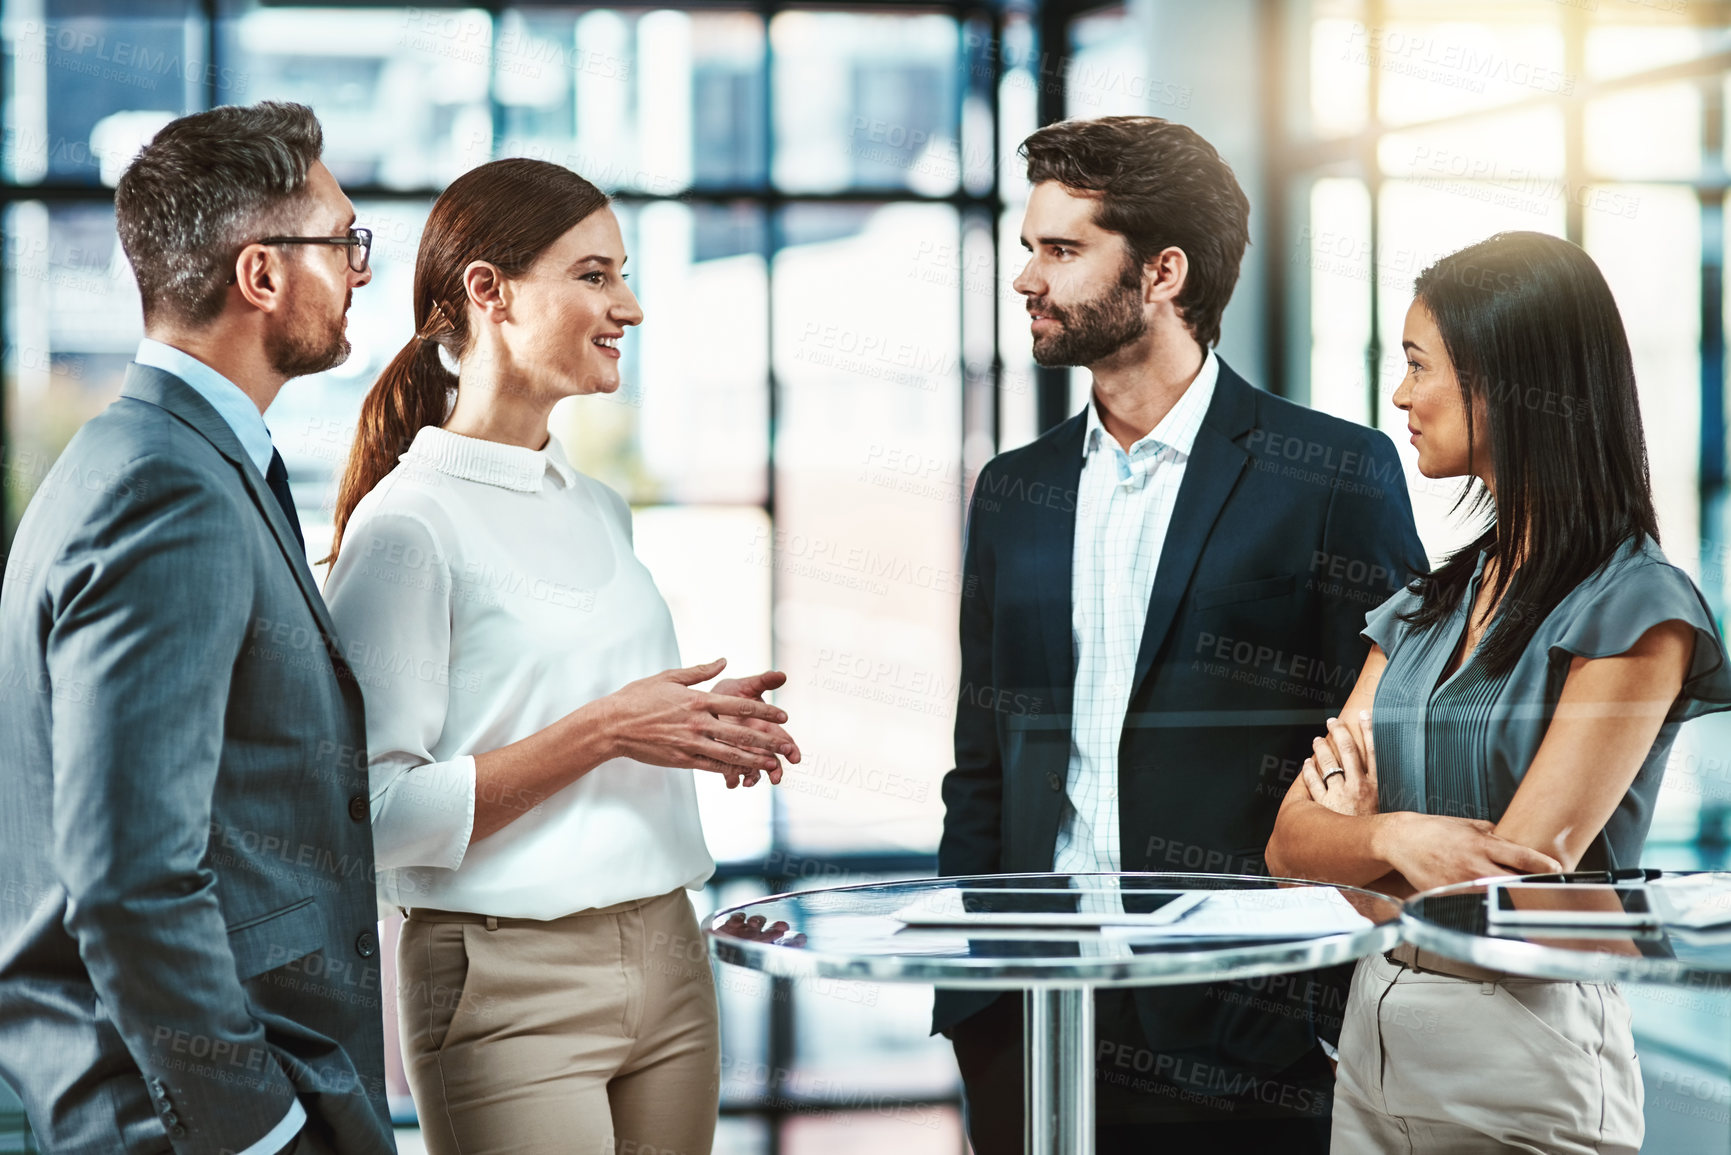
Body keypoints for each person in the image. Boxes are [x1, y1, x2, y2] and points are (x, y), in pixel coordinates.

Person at [935, 115, 1426, 1154]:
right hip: (1033, 1010)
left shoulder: (1334, 473)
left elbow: (1393, 751)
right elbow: (983, 762)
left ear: (1161, 273)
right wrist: (971, 993)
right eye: (1030, 247)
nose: (1027, 278)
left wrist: (1314, 998)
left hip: (1246, 1029)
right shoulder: (1013, 491)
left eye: (1062, 251)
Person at [321, 157, 798, 1155]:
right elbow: (367, 812)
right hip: (506, 985)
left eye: (621, 273)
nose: (627, 303)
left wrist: (693, 730)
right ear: (490, 292)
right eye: (593, 275)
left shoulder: (597, 508)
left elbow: (595, 715)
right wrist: (609, 728)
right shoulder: (409, 528)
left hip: (671, 949)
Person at [1265, 230, 1731, 1154]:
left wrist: (1354, 857)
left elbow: (1510, 887)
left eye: (1416, 364)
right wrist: (1395, 837)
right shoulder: (1426, 601)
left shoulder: (1637, 607)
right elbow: (1286, 843)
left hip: (1521, 1052)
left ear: (1505, 382)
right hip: (1373, 1034)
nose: (1398, 394)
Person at [0, 103, 391, 1154]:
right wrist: (259, 1130)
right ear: (260, 274)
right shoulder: (165, 490)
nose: (361, 270)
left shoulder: (157, 460)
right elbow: (129, 875)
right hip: (186, 1122)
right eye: (345, 242)